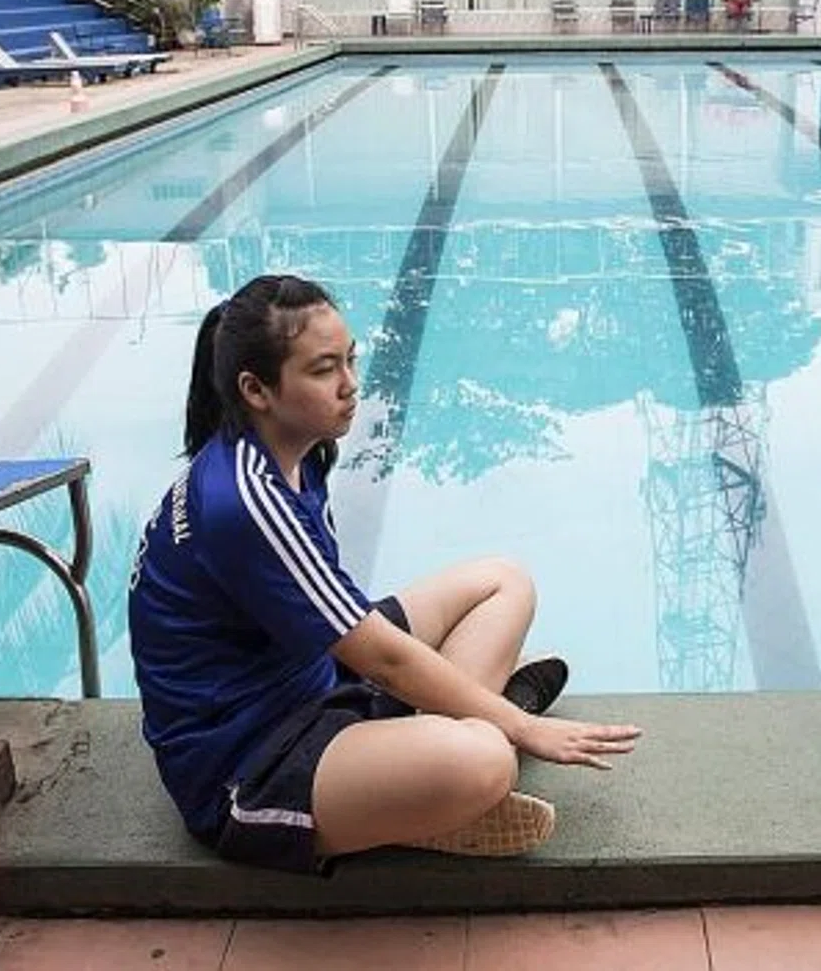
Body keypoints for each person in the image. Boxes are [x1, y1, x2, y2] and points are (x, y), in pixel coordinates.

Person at [128, 274, 640, 873]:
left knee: (503, 581)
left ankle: (414, 765)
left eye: (350, 360)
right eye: (323, 370)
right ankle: (431, 787)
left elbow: (343, 625)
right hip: (248, 759)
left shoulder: (295, 448)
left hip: (311, 676)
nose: (350, 386)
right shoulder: (243, 501)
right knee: (486, 759)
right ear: (257, 389)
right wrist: (522, 726)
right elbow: (385, 660)